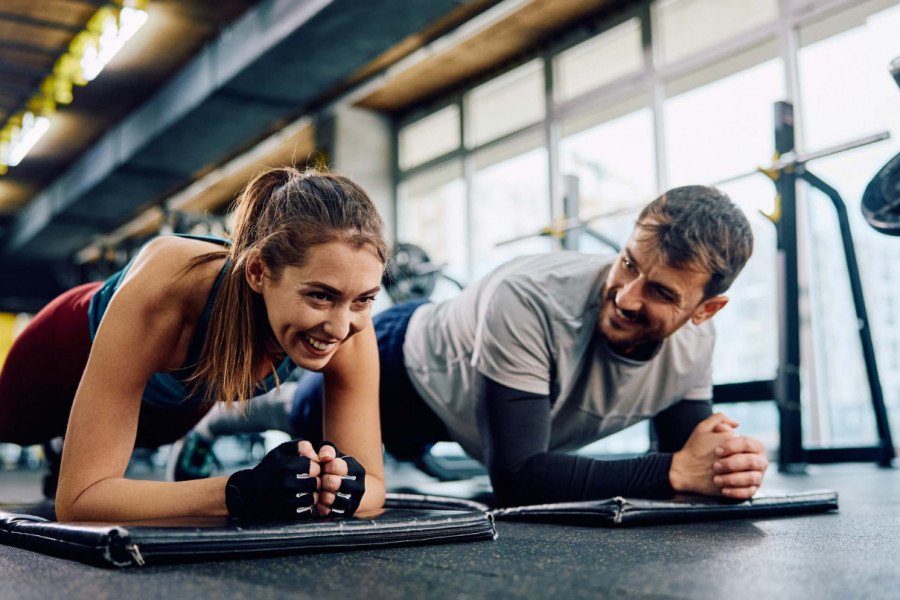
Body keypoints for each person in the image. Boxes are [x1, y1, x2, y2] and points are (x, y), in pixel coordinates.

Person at [173, 185, 768, 507]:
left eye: (660, 291)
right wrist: (681, 470)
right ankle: (209, 427)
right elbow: (517, 478)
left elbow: (685, 468)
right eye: (627, 263)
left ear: (706, 311)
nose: (627, 295)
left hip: (468, 410)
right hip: (404, 362)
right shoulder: (532, 295)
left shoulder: (696, 347)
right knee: (293, 406)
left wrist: (724, 466)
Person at [0, 167, 388, 521]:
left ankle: (70, 445)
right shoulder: (169, 285)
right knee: (11, 426)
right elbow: (79, 503)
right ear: (257, 272)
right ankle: (61, 440)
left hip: (168, 408)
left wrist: (339, 487)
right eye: (320, 296)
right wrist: (241, 491)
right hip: (64, 352)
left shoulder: (349, 324)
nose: (340, 327)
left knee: (146, 440)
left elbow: (373, 486)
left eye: (364, 299)